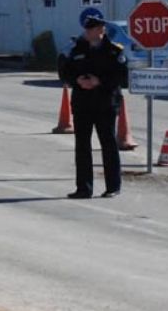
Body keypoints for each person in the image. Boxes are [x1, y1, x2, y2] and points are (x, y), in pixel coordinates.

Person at [63, 15, 128, 199]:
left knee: (108, 144)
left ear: (101, 30)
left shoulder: (114, 51)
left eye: (92, 29)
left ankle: (112, 186)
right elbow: (65, 71)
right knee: (82, 146)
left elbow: (121, 76)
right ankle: (83, 188)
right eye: (87, 29)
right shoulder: (77, 49)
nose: (88, 32)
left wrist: (99, 81)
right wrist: (77, 80)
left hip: (105, 104)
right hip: (82, 104)